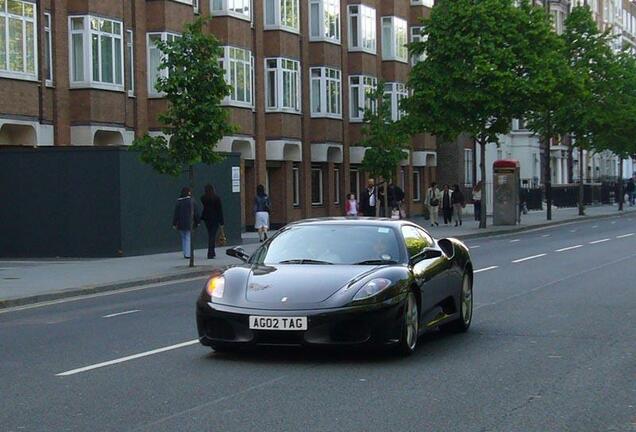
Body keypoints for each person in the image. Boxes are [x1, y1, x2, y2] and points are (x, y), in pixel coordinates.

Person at [172, 187, 200, 259]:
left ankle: (185, 252)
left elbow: (176, 214)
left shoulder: (179, 201)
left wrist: (174, 223)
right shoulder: (192, 201)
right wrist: (198, 221)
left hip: (180, 223)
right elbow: (196, 212)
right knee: (188, 237)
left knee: (183, 238)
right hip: (189, 222)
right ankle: (188, 254)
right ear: (189, 192)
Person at [200, 184, 224, 259]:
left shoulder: (203, 198)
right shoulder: (216, 198)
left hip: (207, 218)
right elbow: (219, 210)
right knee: (212, 235)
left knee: (210, 234)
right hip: (215, 219)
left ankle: (211, 252)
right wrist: (221, 222)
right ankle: (211, 252)